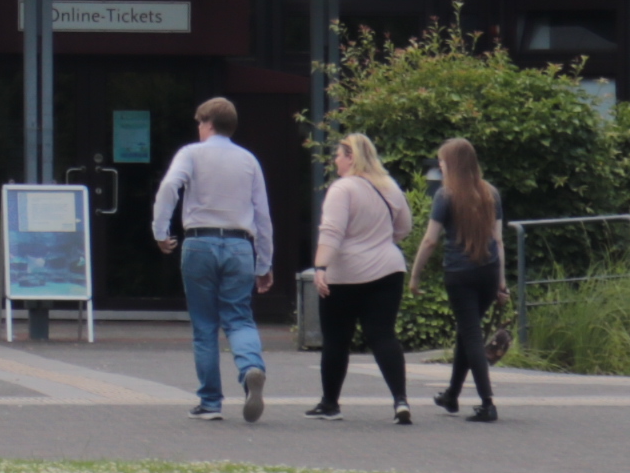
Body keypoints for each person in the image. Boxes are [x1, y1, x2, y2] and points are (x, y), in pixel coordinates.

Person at [149, 96, 277, 421]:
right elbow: (263, 215)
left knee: (205, 325)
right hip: (239, 245)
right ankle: (250, 367)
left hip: (199, 243)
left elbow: (169, 187)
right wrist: (264, 263)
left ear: (207, 123)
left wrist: (160, 230)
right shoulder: (249, 160)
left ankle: (210, 402)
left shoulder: (191, 153)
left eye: (199, 124)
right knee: (240, 317)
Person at [302, 131, 413, 425]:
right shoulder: (389, 186)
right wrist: (379, 240)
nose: (335, 160)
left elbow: (332, 232)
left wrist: (320, 266)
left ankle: (330, 403)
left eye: (338, 155)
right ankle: (400, 400)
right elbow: (404, 227)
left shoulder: (342, 189)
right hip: (388, 270)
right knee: (383, 335)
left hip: (345, 274)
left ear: (351, 157)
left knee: (337, 340)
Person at [411, 135, 504, 424]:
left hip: (459, 274)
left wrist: (415, 275)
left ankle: (487, 402)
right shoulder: (491, 193)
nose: (440, 165)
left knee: (471, 334)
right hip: (488, 271)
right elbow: (498, 241)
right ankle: (451, 395)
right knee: (468, 332)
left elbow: (429, 241)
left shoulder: (445, 195)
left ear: (452, 164)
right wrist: (502, 282)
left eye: (442, 161)